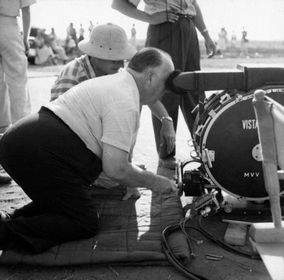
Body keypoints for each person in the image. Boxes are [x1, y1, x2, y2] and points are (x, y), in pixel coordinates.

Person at [0, 47, 177, 253]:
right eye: (166, 82)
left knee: (66, 202)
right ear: (150, 77)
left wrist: (134, 179)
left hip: (28, 142)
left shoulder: (118, 84)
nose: (167, 89)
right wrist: (156, 182)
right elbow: (116, 169)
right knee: (83, 223)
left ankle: (10, 220)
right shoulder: (124, 99)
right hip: (37, 148)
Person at [51, 23, 175, 198]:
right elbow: (60, 124)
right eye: (113, 58)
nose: (119, 62)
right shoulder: (72, 75)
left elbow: (143, 93)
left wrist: (166, 120)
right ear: (93, 54)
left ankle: (120, 166)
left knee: (127, 106)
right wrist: (123, 174)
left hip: (97, 139)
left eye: (121, 58)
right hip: (72, 144)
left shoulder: (113, 70)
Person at [112, 0, 216, 168]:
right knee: (164, 89)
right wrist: (149, 18)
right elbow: (119, 4)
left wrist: (206, 34)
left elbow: (193, 5)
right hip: (164, 28)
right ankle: (166, 154)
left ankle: (205, 151)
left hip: (189, 28)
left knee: (194, 90)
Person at [0, 0, 36, 185]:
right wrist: (25, 38)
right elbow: (26, 11)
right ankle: (22, 132)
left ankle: (2, 130)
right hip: (8, 25)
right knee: (18, 81)